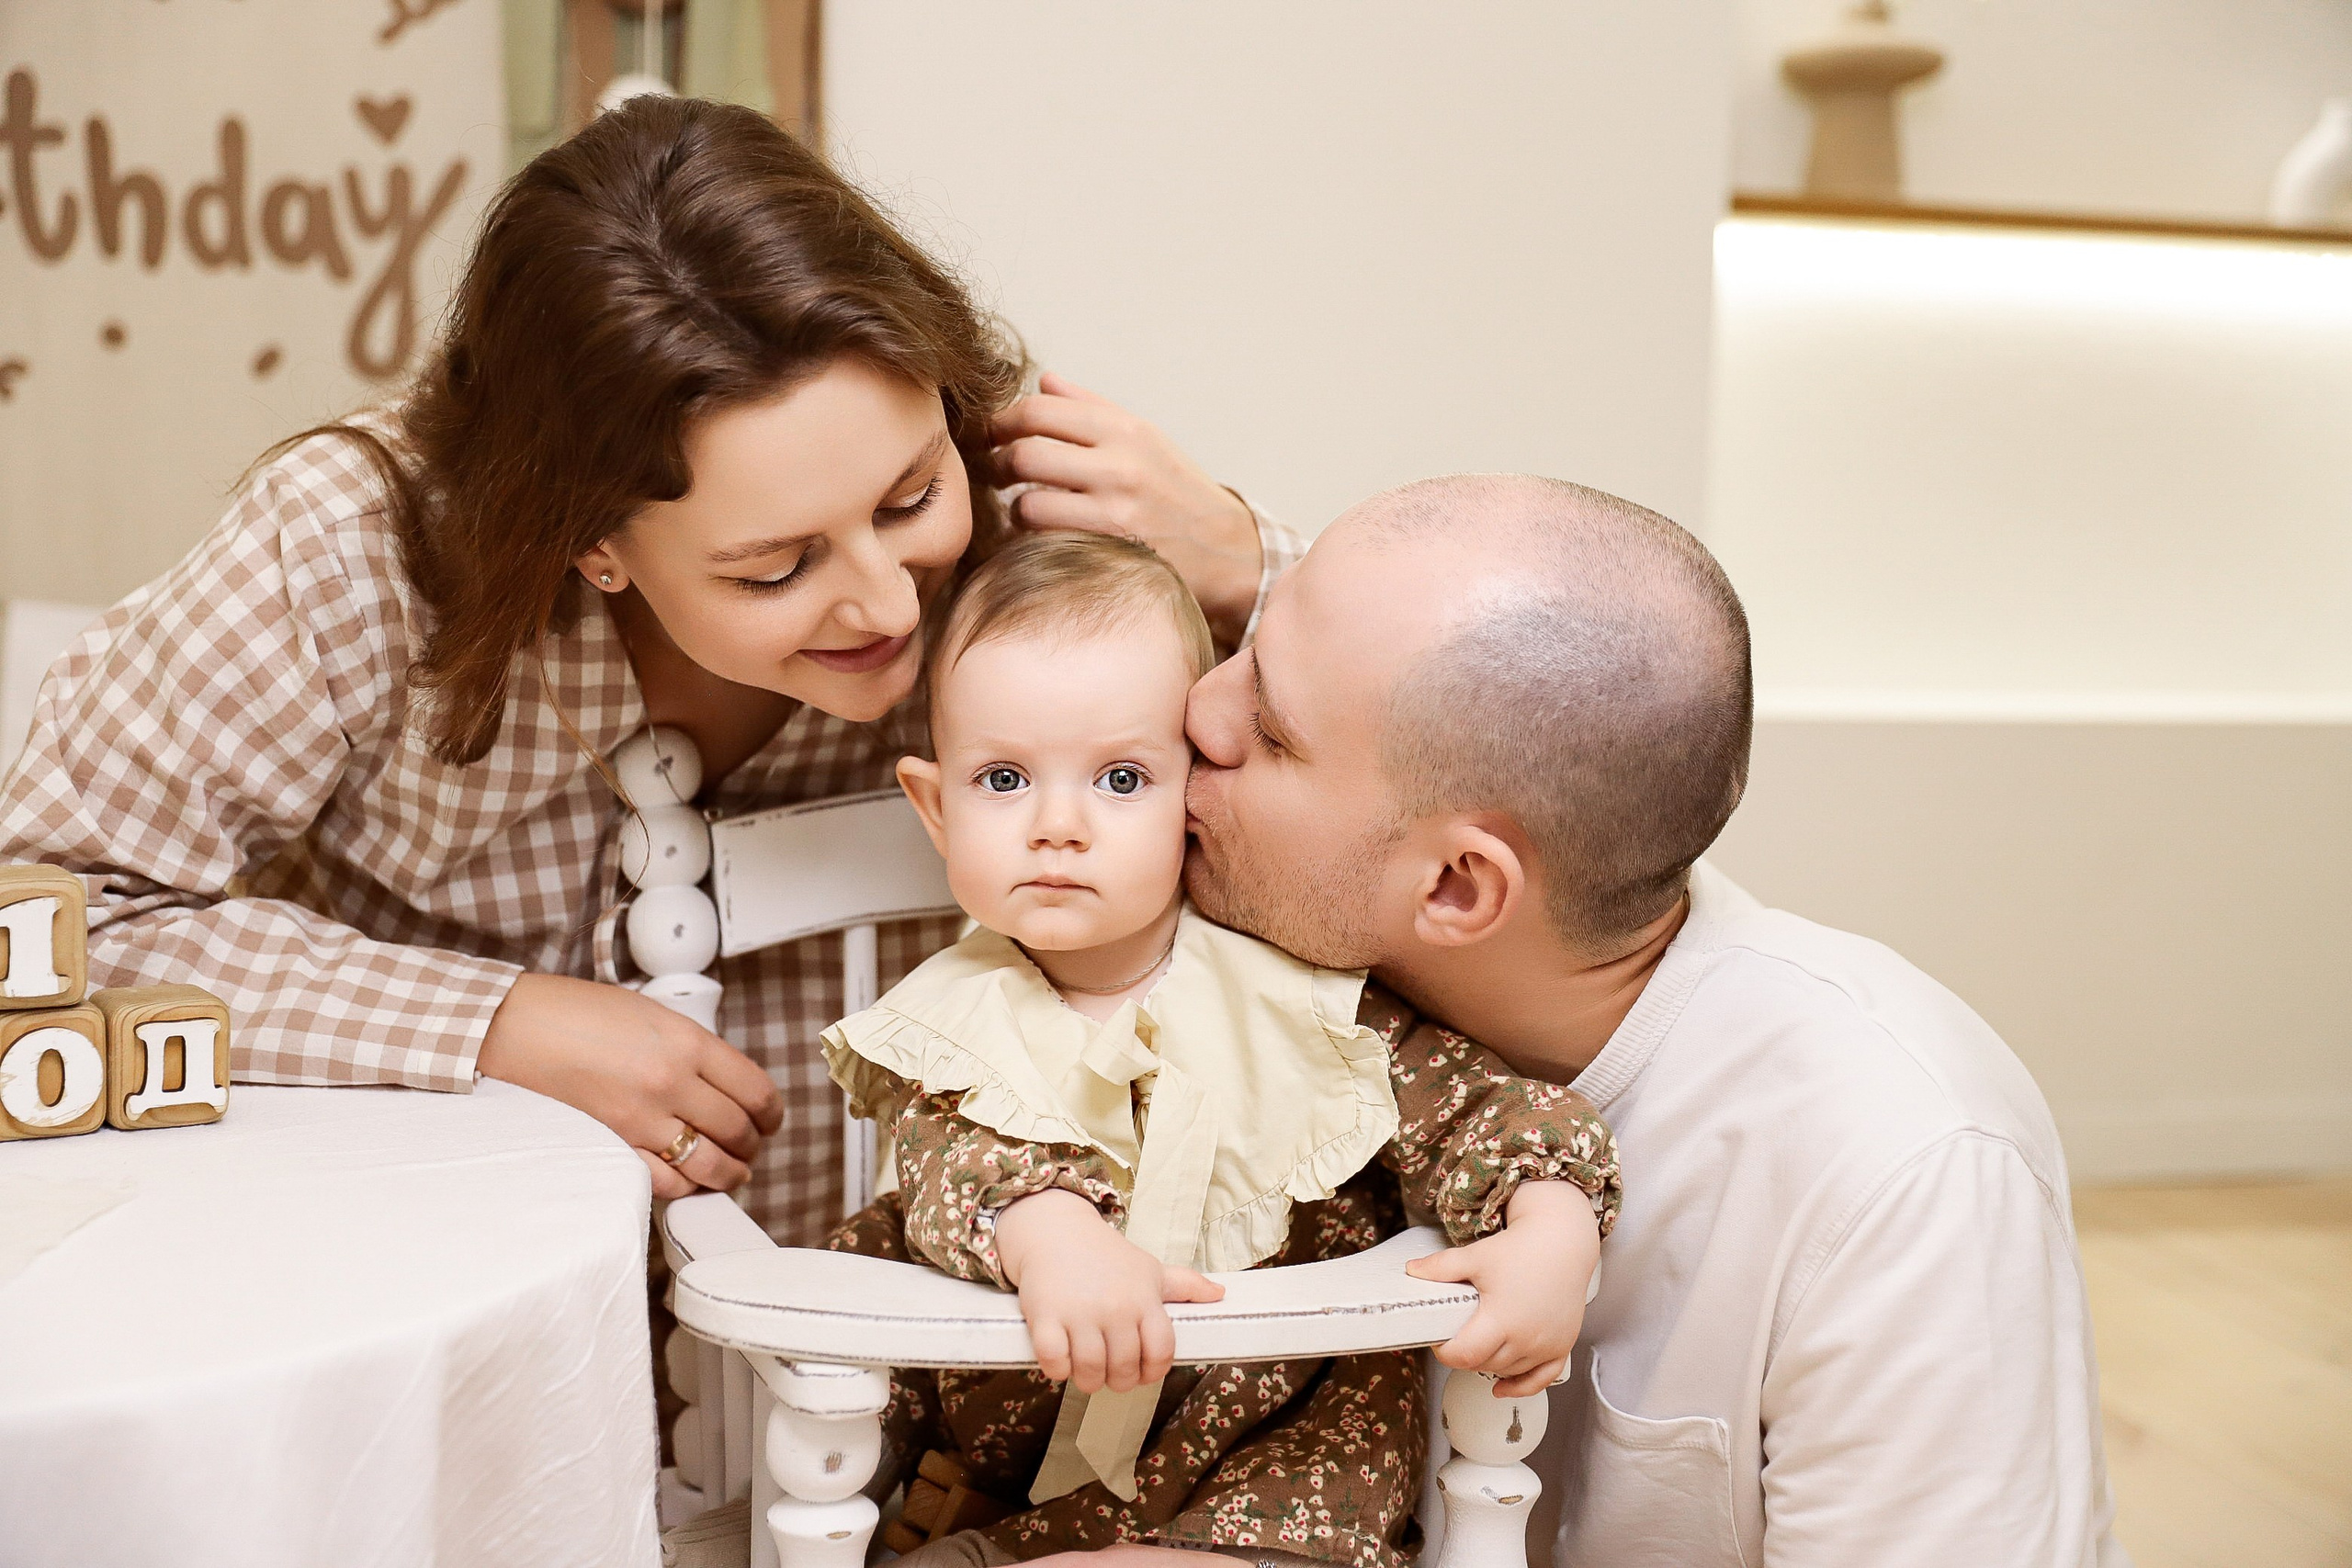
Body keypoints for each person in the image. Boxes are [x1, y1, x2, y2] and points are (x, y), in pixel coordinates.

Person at [0, 97, 1286, 1239]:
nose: (892, 603)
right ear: (592, 543)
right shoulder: (350, 550)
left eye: (909, 497)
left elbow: (1376, 844)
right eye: (774, 567)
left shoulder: (1043, 547)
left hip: (893, 1359)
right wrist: (496, 1021)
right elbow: (52, 911)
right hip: (441, 1297)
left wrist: (1249, 568)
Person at [1182, 473, 2128, 1566]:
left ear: (1455, 887)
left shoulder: (1904, 1169)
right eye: (1245, 647)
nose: (1199, 711)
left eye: (1269, 731)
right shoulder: (1227, 990)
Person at [817, 530, 1618, 1566]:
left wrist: (1551, 1226)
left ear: (1193, 792)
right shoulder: (948, 1021)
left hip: (1269, 1474)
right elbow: (954, 1165)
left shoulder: (1300, 998)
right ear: (936, 807)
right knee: (873, 1297)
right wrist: (1049, 1233)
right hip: (1010, 1475)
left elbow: (1481, 1111)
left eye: (1120, 778)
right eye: (1004, 779)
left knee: (1328, 1431)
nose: (1057, 825)